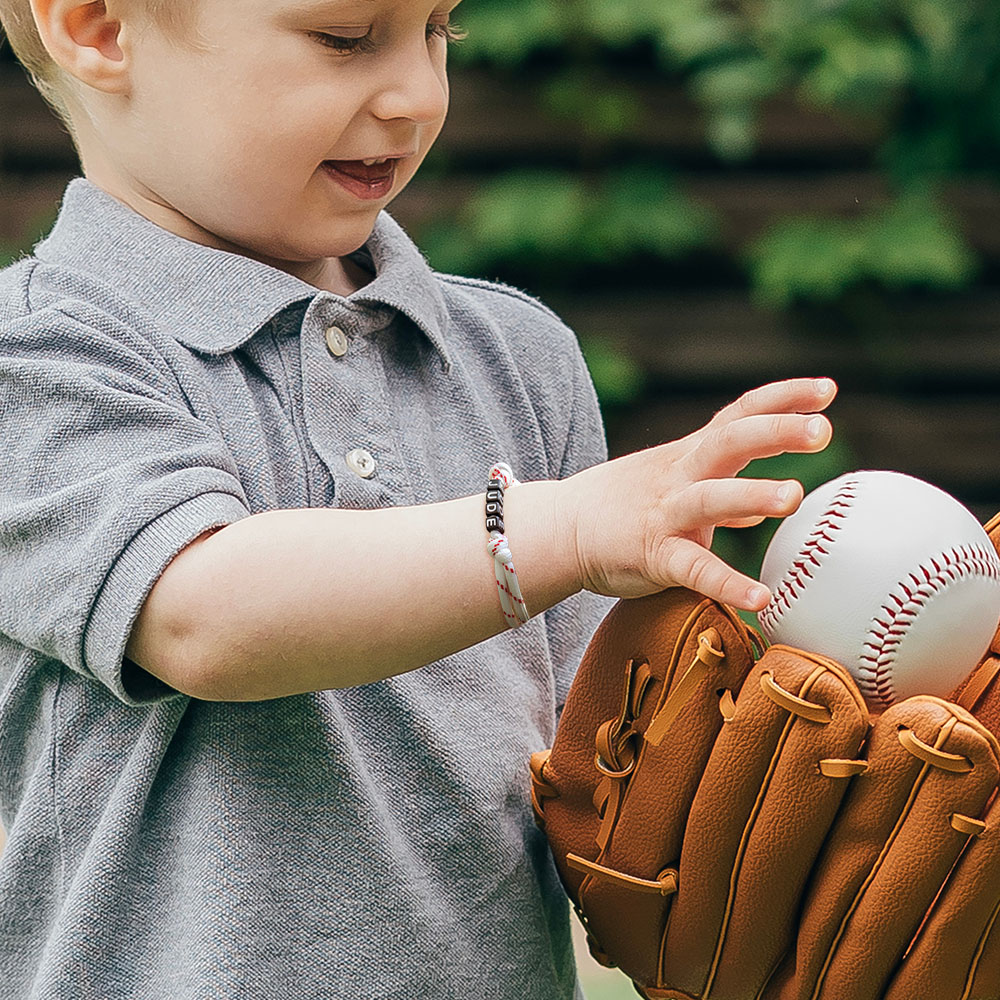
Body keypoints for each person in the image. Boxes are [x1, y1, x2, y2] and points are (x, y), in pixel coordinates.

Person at [0, 1, 836, 997]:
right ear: (97, 28)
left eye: (442, 29)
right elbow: (203, 613)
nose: (416, 95)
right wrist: (555, 526)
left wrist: (787, 843)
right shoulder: (39, 355)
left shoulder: (519, 359)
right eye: (345, 39)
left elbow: (601, 782)